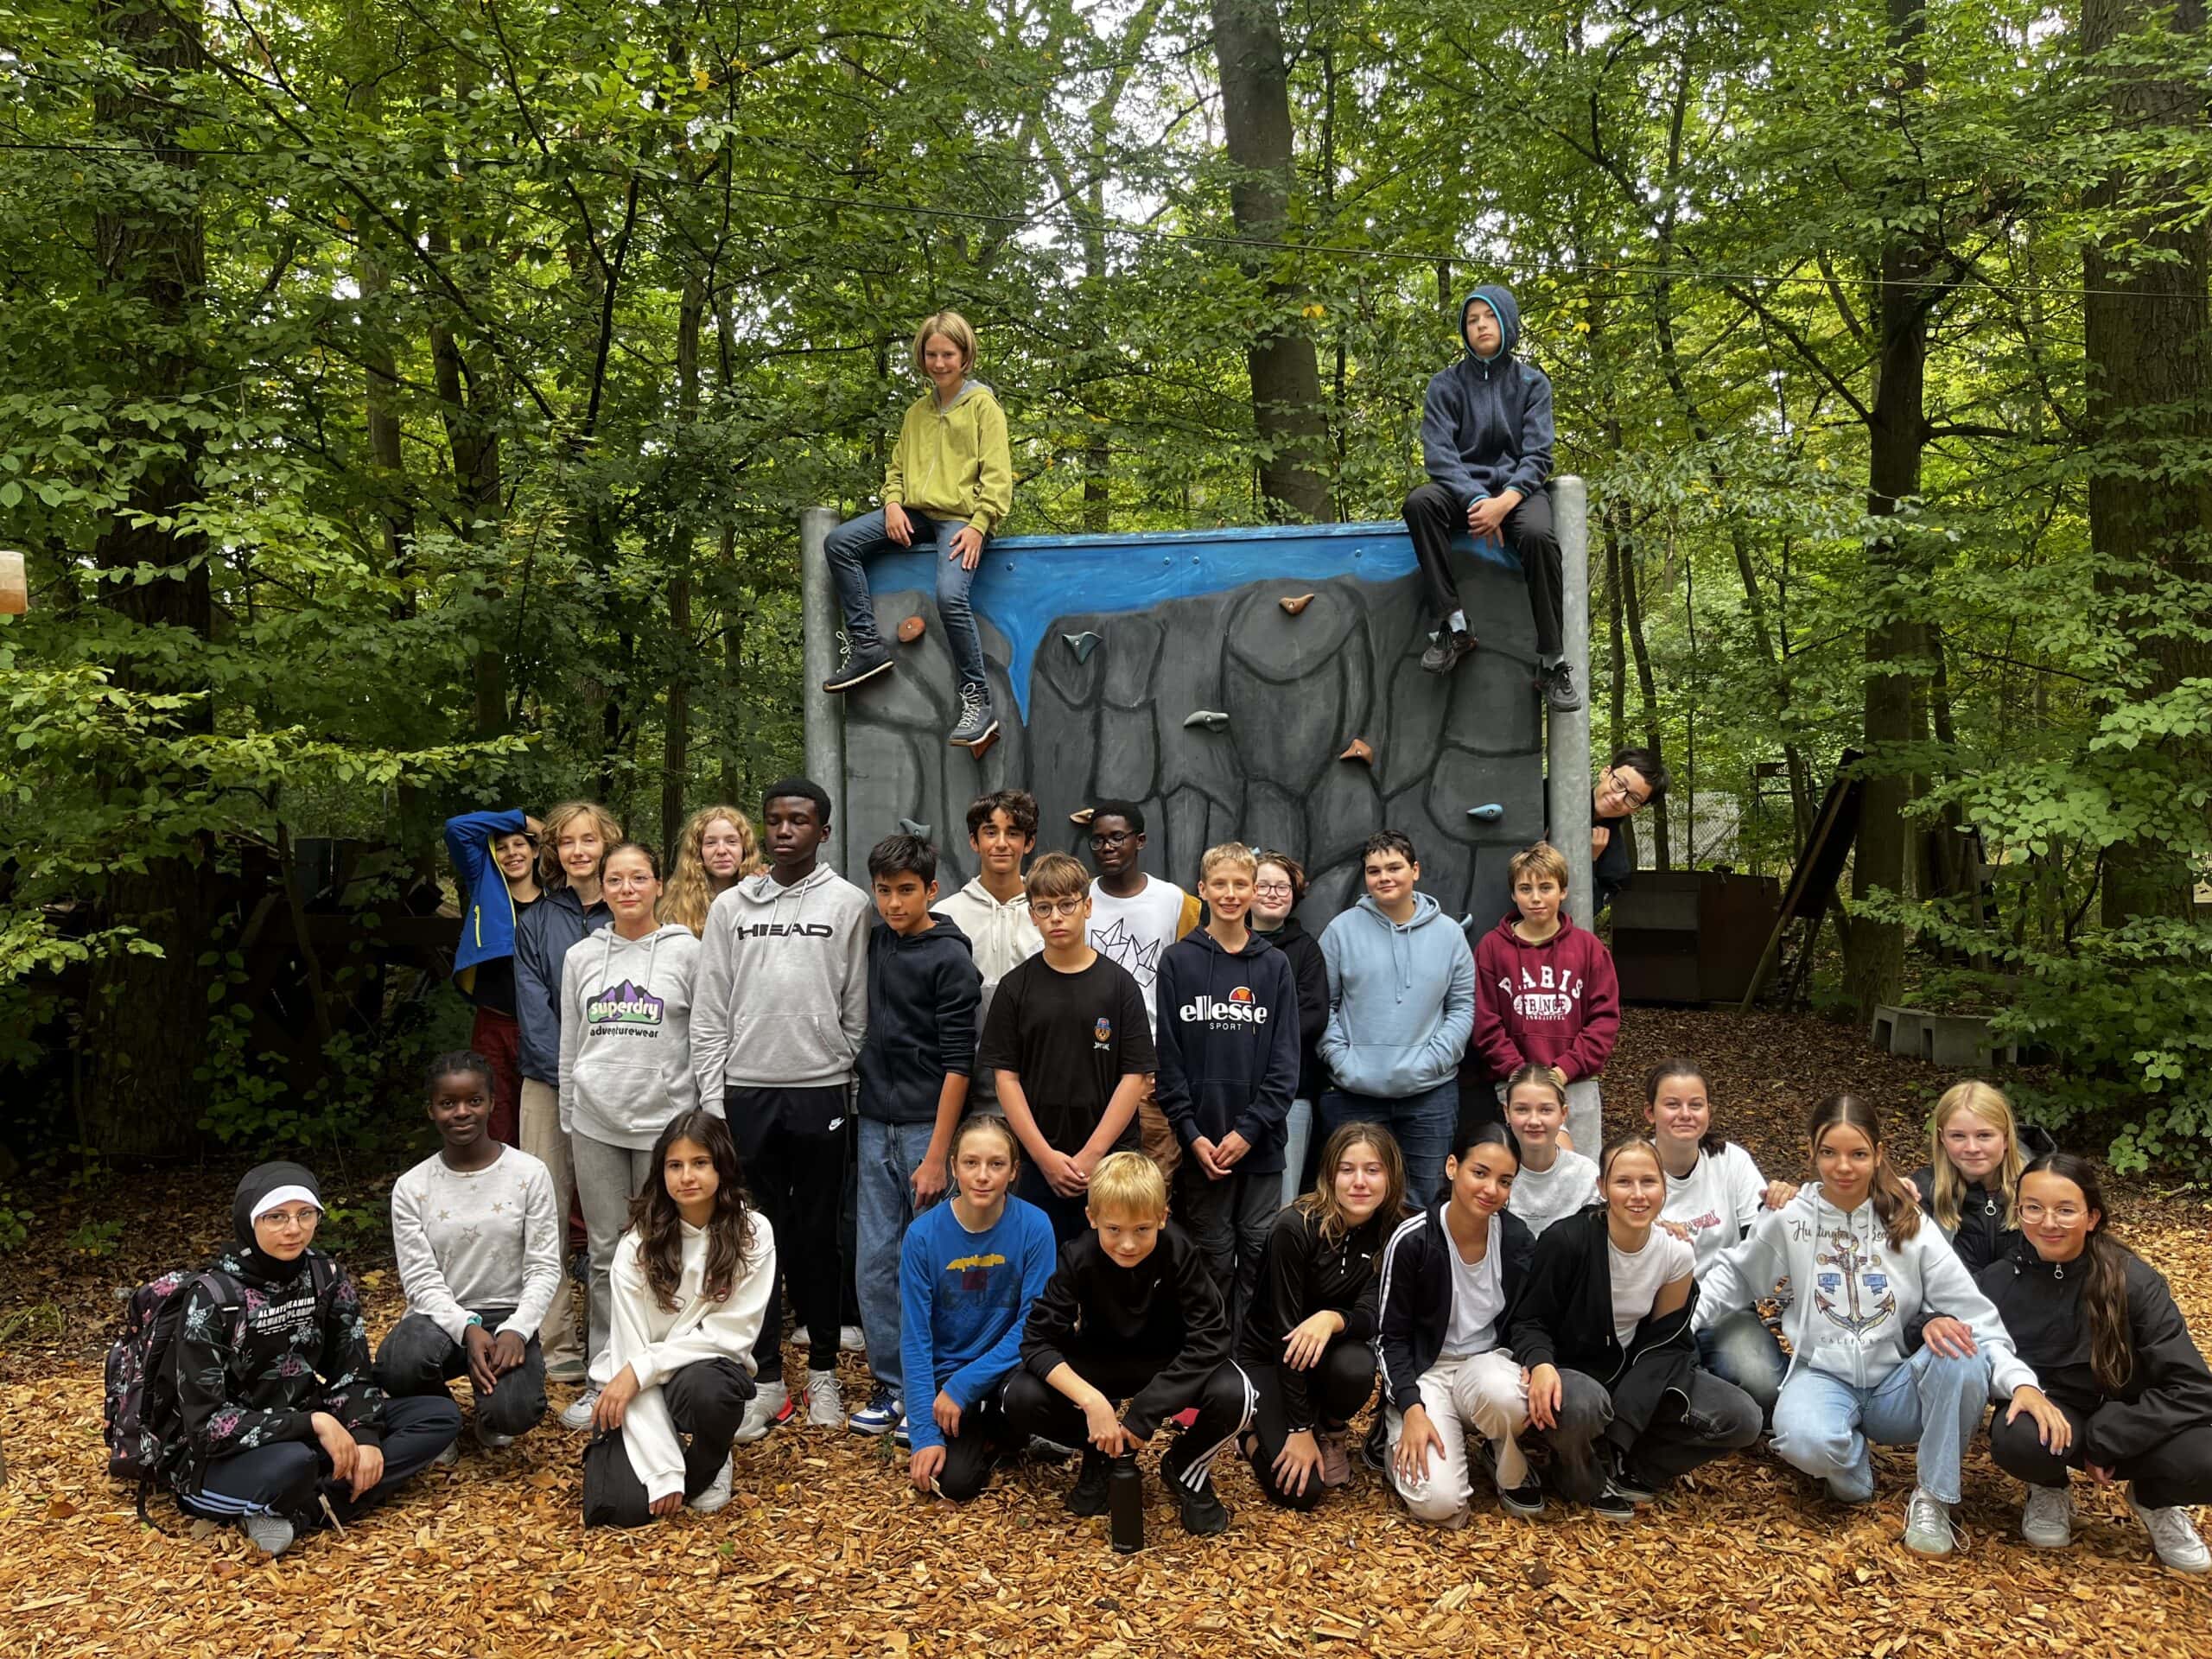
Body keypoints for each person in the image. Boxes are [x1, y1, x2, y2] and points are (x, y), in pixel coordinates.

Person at [1693, 1095, 2065, 1557]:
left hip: (1896, 1384)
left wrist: (2020, 1382)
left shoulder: (1907, 1223)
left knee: (1962, 1353)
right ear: (1811, 1152)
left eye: (1858, 1154)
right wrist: (1677, 1328)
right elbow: (1736, 1275)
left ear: (1879, 1153)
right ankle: (1851, 1467)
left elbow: (1975, 1315)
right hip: (1823, 1375)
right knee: (1803, 1442)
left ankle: (1934, 1495)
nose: (1843, 1167)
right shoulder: (1792, 1221)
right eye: (1829, 1153)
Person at [691, 779, 872, 1440]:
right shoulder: (731, 907)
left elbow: (856, 1002)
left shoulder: (850, 903)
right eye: (775, 821)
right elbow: (710, 1008)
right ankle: (766, 1378)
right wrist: (713, 1099)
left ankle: (822, 1370)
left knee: (818, 1235)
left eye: (799, 820)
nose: (785, 830)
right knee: (751, 1236)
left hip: (822, 1090)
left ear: (823, 831)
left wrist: (838, 1060)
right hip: (746, 1092)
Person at [168, 1163, 461, 1554]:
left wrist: (365, 1435)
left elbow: (351, 1372)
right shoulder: (213, 1297)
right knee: (294, 1462)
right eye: (276, 1217)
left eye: (305, 1214)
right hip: (232, 1452)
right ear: (249, 1220)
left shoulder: (326, 1275)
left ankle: (303, 1509)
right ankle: (313, 1493)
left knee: (438, 1416)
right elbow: (207, 1427)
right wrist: (313, 1423)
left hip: (312, 1428)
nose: (294, 1229)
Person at [1975, 1153, 2212, 1573]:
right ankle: (2047, 1486)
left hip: (2135, 1421)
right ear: (2018, 1212)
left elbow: (2195, 1389)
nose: (2048, 1223)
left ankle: (2155, 1498)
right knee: (2018, 1436)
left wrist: (2113, 1435)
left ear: (2091, 1217)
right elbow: (1967, 1342)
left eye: (2065, 1210)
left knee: (2206, 1457)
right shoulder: (1998, 1280)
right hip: (2056, 1419)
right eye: (2034, 1208)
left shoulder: (2133, 1280)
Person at [1504, 1136, 1763, 1522]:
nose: (1637, 1194)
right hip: (1573, 1370)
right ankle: (1580, 1475)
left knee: (1742, 1417)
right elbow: (1529, 1320)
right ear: (1602, 1187)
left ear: (1664, 1187)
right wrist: (1541, 1364)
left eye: (1649, 1182)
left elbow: (1667, 1341)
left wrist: (1626, 1421)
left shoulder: (1676, 1252)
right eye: (1624, 1182)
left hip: (1631, 1373)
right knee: (1582, 1405)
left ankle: (1634, 1468)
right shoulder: (1567, 1240)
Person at [1005, 1151, 1253, 1535]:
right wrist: (1091, 1402)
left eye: (1142, 1230)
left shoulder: (1179, 1250)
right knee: (1019, 1395)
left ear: (1162, 1217)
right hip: (1100, 1362)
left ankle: (1185, 1466)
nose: (1127, 1244)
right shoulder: (1077, 1256)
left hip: (1168, 1362)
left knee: (1237, 1393)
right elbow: (1037, 1341)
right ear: (1092, 1220)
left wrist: (1144, 1414)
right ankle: (1100, 1451)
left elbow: (1211, 1337)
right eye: (1113, 1229)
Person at [556, 842, 702, 1430]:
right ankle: (602, 1374)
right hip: (596, 1121)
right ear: (603, 886)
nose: (626, 889)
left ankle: (658, 1373)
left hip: (664, 1126)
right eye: (614, 879)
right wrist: (571, 1111)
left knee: (664, 1247)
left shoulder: (686, 952)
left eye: (637, 877)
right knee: (604, 1254)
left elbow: (704, 1035)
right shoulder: (580, 957)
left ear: (657, 883)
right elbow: (571, 1043)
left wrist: (699, 1118)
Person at [820, 309, 1014, 749]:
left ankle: (977, 701)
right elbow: (896, 470)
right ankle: (867, 647)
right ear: (921, 357)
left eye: (948, 354)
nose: (939, 363)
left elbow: (999, 477)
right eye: (932, 354)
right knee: (840, 543)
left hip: (963, 519)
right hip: (916, 513)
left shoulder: (984, 408)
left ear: (965, 357)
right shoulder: (916, 414)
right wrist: (891, 503)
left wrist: (981, 524)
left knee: (950, 595)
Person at [581, 1110, 776, 1528]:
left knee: (712, 1389)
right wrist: (664, 1468)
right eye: (675, 1165)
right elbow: (631, 1354)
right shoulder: (637, 1245)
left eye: (700, 1163)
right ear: (661, 1172)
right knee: (622, 1508)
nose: (687, 1176)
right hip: (639, 1379)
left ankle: (712, 1455)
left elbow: (731, 1336)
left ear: (722, 1166)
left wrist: (643, 1369)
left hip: (699, 1374)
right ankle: (661, 1453)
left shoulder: (753, 1232)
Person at [851, 833, 982, 1438]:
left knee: (932, 1261)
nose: (895, 903)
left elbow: (961, 1061)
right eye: (884, 891)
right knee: (876, 1259)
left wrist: (937, 1157)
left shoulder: (951, 958)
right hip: (873, 1120)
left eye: (907, 891)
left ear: (932, 890)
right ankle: (895, 1387)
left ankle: (937, 1387)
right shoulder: (876, 942)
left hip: (929, 1127)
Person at [1401, 282, 1576, 712]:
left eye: (1488, 317)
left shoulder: (1533, 384)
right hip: (1465, 494)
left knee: (1538, 535)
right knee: (1419, 503)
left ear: (1507, 324)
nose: (1480, 326)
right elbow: (1439, 456)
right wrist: (1480, 501)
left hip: (1519, 493)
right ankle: (1455, 626)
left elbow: (1539, 454)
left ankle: (1552, 661)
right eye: (1472, 320)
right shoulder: (1445, 386)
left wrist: (1506, 500)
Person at [374, 1052, 561, 1452]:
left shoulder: (529, 1174)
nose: (462, 1112)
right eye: (448, 1103)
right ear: (431, 1111)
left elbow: (545, 1266)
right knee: (398, 1362)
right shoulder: (412, 1187)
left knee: (515, 1411)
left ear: (492, 1102)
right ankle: (436, 1417)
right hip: (440, 1318)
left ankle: (492, 1410)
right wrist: (468, 1327)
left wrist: (516, 1329)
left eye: (473, 1101)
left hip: (508, 1315)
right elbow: (420, 1281)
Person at [1154, 841, 1300, 1331]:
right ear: (1203, 890)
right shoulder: (1178, 962)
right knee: (1211, 1255)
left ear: (1255, 891)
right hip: (1202, 1148)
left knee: (1258, 1255)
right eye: (1220, 883)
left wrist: (1250, 1130)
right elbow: (1168, 1061)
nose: (1231, 893)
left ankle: (1252, 1362)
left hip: (1259, 1147)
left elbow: (1285, 1066)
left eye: (1242, 884)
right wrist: (1192, 1134)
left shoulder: (1274, 965)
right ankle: (1211, 1358)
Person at [978, 853, 1154, 1243]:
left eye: (1066, 905)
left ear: (1087, 906)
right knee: (1044, 1274)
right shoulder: (1014, 988)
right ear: (1032, 915)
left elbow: (1134, 1076)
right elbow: (1005, 1079)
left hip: (1111, 1160)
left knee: (1112, 1265)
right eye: (1044, 907)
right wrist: (1043, 1157)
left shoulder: (1120, 985)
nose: (1056, 916)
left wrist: (1092, 1156)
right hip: (1040, 1161)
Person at [1376, 1122, 1541, 1527]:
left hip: (1485, 1367)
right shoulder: (1414, 1239)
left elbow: (1526, 1321)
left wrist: (1538, 1364)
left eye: (1505, 1181)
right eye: (1480, 1173)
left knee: (1510, 1397)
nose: (1491, 1190)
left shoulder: (1515, 1238)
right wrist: (1412, 1408)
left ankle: (1502, 1456)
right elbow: (1389, 1339)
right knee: (1440, 1505)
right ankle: (1393, 1437)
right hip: (1426, 1373)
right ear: (1453, 1167)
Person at [1238, 1122, 1407, 1510]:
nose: (1359, 1182)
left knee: (1357, 1365)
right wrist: (1297, 1430)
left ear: (1391, 1175)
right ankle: (1249, 1437)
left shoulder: (1394, 1230)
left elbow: (1373, 1315)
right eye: (1347, 1169)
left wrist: (1332, 1318)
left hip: (1332, 1355)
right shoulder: (1293, 1227)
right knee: (1303, 1492)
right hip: (1271, 1356)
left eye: (1373, 1169)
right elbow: (1284, 1334)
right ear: (1329, 1174)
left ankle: (1331, 1429)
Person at [512, 798, 623, 1382]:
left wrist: (602, 1075)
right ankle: (557, 1349)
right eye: (567, 842)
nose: (579, 851)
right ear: (554, 852)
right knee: (545, 1214)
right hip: (549, 1083)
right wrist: (570, 1073)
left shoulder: (628, 909)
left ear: (608, 843)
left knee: (615, 1223)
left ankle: (617, 1343)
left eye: (590, 840)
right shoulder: (536, 920)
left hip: (617, 1085)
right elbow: (535, 1012)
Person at [899, 1114, 1058, 1500]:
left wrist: (964, 1386)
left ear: (1014, 1171)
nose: (982, 1175)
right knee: (954, 1484)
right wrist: (924, 1434)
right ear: (953, 1166)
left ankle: (1002, 1431)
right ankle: (980, 1436)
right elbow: (916, 1338)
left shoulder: (1035, 1227)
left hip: (1008, 1371)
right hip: (947, 1372)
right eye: (971, 1163)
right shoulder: (922, 1236)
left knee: (1027, 1399)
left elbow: (1033, 1323)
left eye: (996, 1164)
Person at [1316, 830, 1476, 1209]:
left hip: (1430, 1096)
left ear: (1415, 870)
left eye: (1394, 867)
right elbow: (1323, 1005)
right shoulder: (1340, 931)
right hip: (1354, 1096)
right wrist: (1343, 1060)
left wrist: (1432, 1061)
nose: (1384, 877)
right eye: (1374, 871)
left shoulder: (1450, 935)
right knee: (1355, 1205)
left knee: (1425, 1203)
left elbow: (1462, 1006)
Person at [1643, 1058, 1796, 1417]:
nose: (1685, 1114)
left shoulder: (1730, 1161)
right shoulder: (1634, 1166)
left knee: (1767, 1387)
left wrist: (1784, 1201)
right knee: (1655, 1393)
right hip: (1655, 1313)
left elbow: (1762, 1237)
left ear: (1709, 1110)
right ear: (1650, 1113)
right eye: (1672, 1104)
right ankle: (1699, 1382)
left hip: (1724, 1312)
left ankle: (1708, 1378)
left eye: (1696, 1104)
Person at [1473, 841, 1618, 1156]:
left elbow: (1604, 1020)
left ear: (1563, 891)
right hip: (1513, 1085)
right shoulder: (1492, 948)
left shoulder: (1589, 949)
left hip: (1576, 1084)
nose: (1536, 898)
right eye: (1525, 888)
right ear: (1513, 894)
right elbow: (1485, 1021)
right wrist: (1519, 1075)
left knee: (1582, 1177)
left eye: (1546, 887)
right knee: (1520, 1177)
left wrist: (1563, 1071)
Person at [1084, 800, 1201, 1178]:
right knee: (1096, 1175)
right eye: (1098, 841)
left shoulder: (1175, 901)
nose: (1108, 848)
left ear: (1141, 841)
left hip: (1154, 1065)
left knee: (1156, 1174)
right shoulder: (1079, 900)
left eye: (1117, 838)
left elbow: (1194, 981)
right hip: (1092, 1060)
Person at [934, 789, 1045, 1112]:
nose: (1001, 843)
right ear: (973, 841)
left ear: (1029, 842)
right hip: (964, 1085)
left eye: (1013, 833)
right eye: (990, 832)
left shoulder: (1047, 913)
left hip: (1036, 1082)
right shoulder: (946, 915)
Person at [441, 805, 543, 1146]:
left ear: (536, 851)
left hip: (544, 1027)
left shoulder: (558, 898)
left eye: (520, 845)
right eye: (502, 847)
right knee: (498, 1116)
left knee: (544, 1120)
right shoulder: (484, 883)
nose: (512, 854)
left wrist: (547, 832)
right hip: (495, 1023)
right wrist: (522, 820)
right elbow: (457, 826)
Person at [1908, 1079, 2057, 1275]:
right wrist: (1888, 1201)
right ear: (1942, 1138)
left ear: (2005, 1138)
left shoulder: (2047, 1187)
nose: (1972, 1148)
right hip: (1953, 1303)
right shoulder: (1922, 1191)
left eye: (1984, 1136)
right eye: (1958, 1136)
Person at [1250, 850, 1330, 1209]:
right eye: (1263, 885)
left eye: (1282, 887)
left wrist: (1246, 1028)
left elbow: (1311, 1017)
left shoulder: (1306, 950)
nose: (1272, 893)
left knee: (1284, 1198)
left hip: (1291, 1093)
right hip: (1229, 1092)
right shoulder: (1219, 945)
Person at [1500, 1063, 1599, 1237]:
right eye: (1522, 1109)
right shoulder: (1493, 1174)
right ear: (1507, 1113)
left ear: (1563, 1114)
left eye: (1545, 1110)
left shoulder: (1587, 1175)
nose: (1534, 1121)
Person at [1585, 748, 1668, 915]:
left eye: (1633, 799)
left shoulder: (1615, 864)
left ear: (1637, 810)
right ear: (1606, 773)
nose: (1617, 798)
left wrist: (1590, 859)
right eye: (1619, 784)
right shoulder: (1545, 795)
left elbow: (1587, 909)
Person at [659, 804, 765, 937]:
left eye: (731, 841)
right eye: (710, 843)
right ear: (698, 851)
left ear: (745, 849)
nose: (721, 850)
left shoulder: (763, 894)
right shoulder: (679, 908)